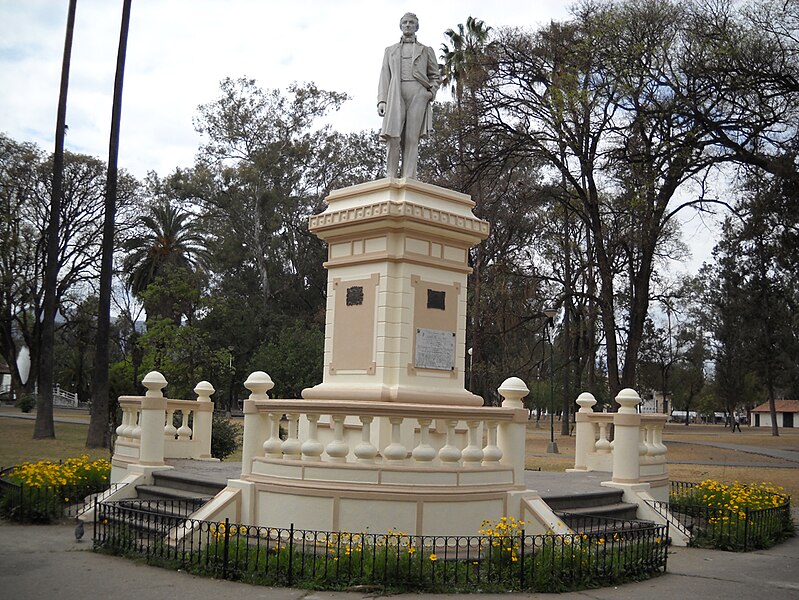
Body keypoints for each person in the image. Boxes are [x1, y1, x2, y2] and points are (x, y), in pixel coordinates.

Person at [377, 12, 440, 179]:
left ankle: (408, 176)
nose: (408, 25)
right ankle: (390, 174)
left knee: (411, 138)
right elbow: (385, 75)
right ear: (400, 25)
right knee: (393, 135)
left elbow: (435, 75)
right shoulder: (390, 50)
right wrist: (382, 100)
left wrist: (430, 93)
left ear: (416, 26)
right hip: (396, 93)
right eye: (404, 22)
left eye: (411, 22)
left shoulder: (426, 50)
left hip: (418, 93)